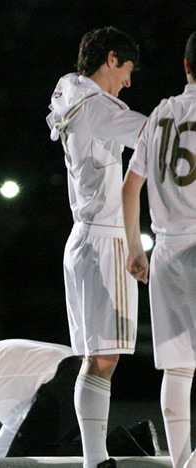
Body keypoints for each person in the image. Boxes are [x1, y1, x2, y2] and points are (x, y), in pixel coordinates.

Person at [46, 26, 147, 468]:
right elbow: (157, 136)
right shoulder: (99, 109)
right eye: (126, 70)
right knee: (103, 358)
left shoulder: (72, 94)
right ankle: (94, 461)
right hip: (103, 238)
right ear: (110, 59)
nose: (128, 81)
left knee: (98, 357)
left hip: (83, 237)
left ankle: (95, 459)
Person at [122, 30, 196, 468]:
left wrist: (135, 247)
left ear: (186, 66)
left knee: (178, 367)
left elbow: (131, 188)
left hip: (167, 252)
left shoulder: (162, 113)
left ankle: (181, 462)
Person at [0, 339, 160, 459]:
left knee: (31, 451)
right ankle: (134, 440)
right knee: (33, 452)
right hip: (73, 377)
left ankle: (129, 443)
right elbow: (16, 428)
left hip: (66, 377)